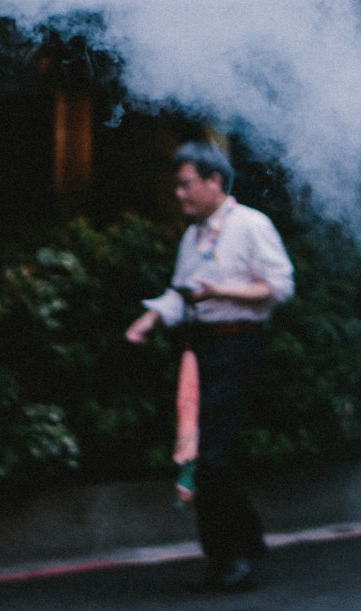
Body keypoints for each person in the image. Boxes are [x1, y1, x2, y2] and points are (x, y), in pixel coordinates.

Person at [125, 141, 295, 593]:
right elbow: (181, 294)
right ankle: (226, 553)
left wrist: (221, 293)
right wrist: (150, 318)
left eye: (186, 184)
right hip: (201, 352)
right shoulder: (193, 235)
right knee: (198, 452)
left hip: (239, 345)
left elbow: (279, 287)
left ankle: (239, 550)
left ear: (214, 181)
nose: (179, 194)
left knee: (212, 454)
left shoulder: (250, 225)